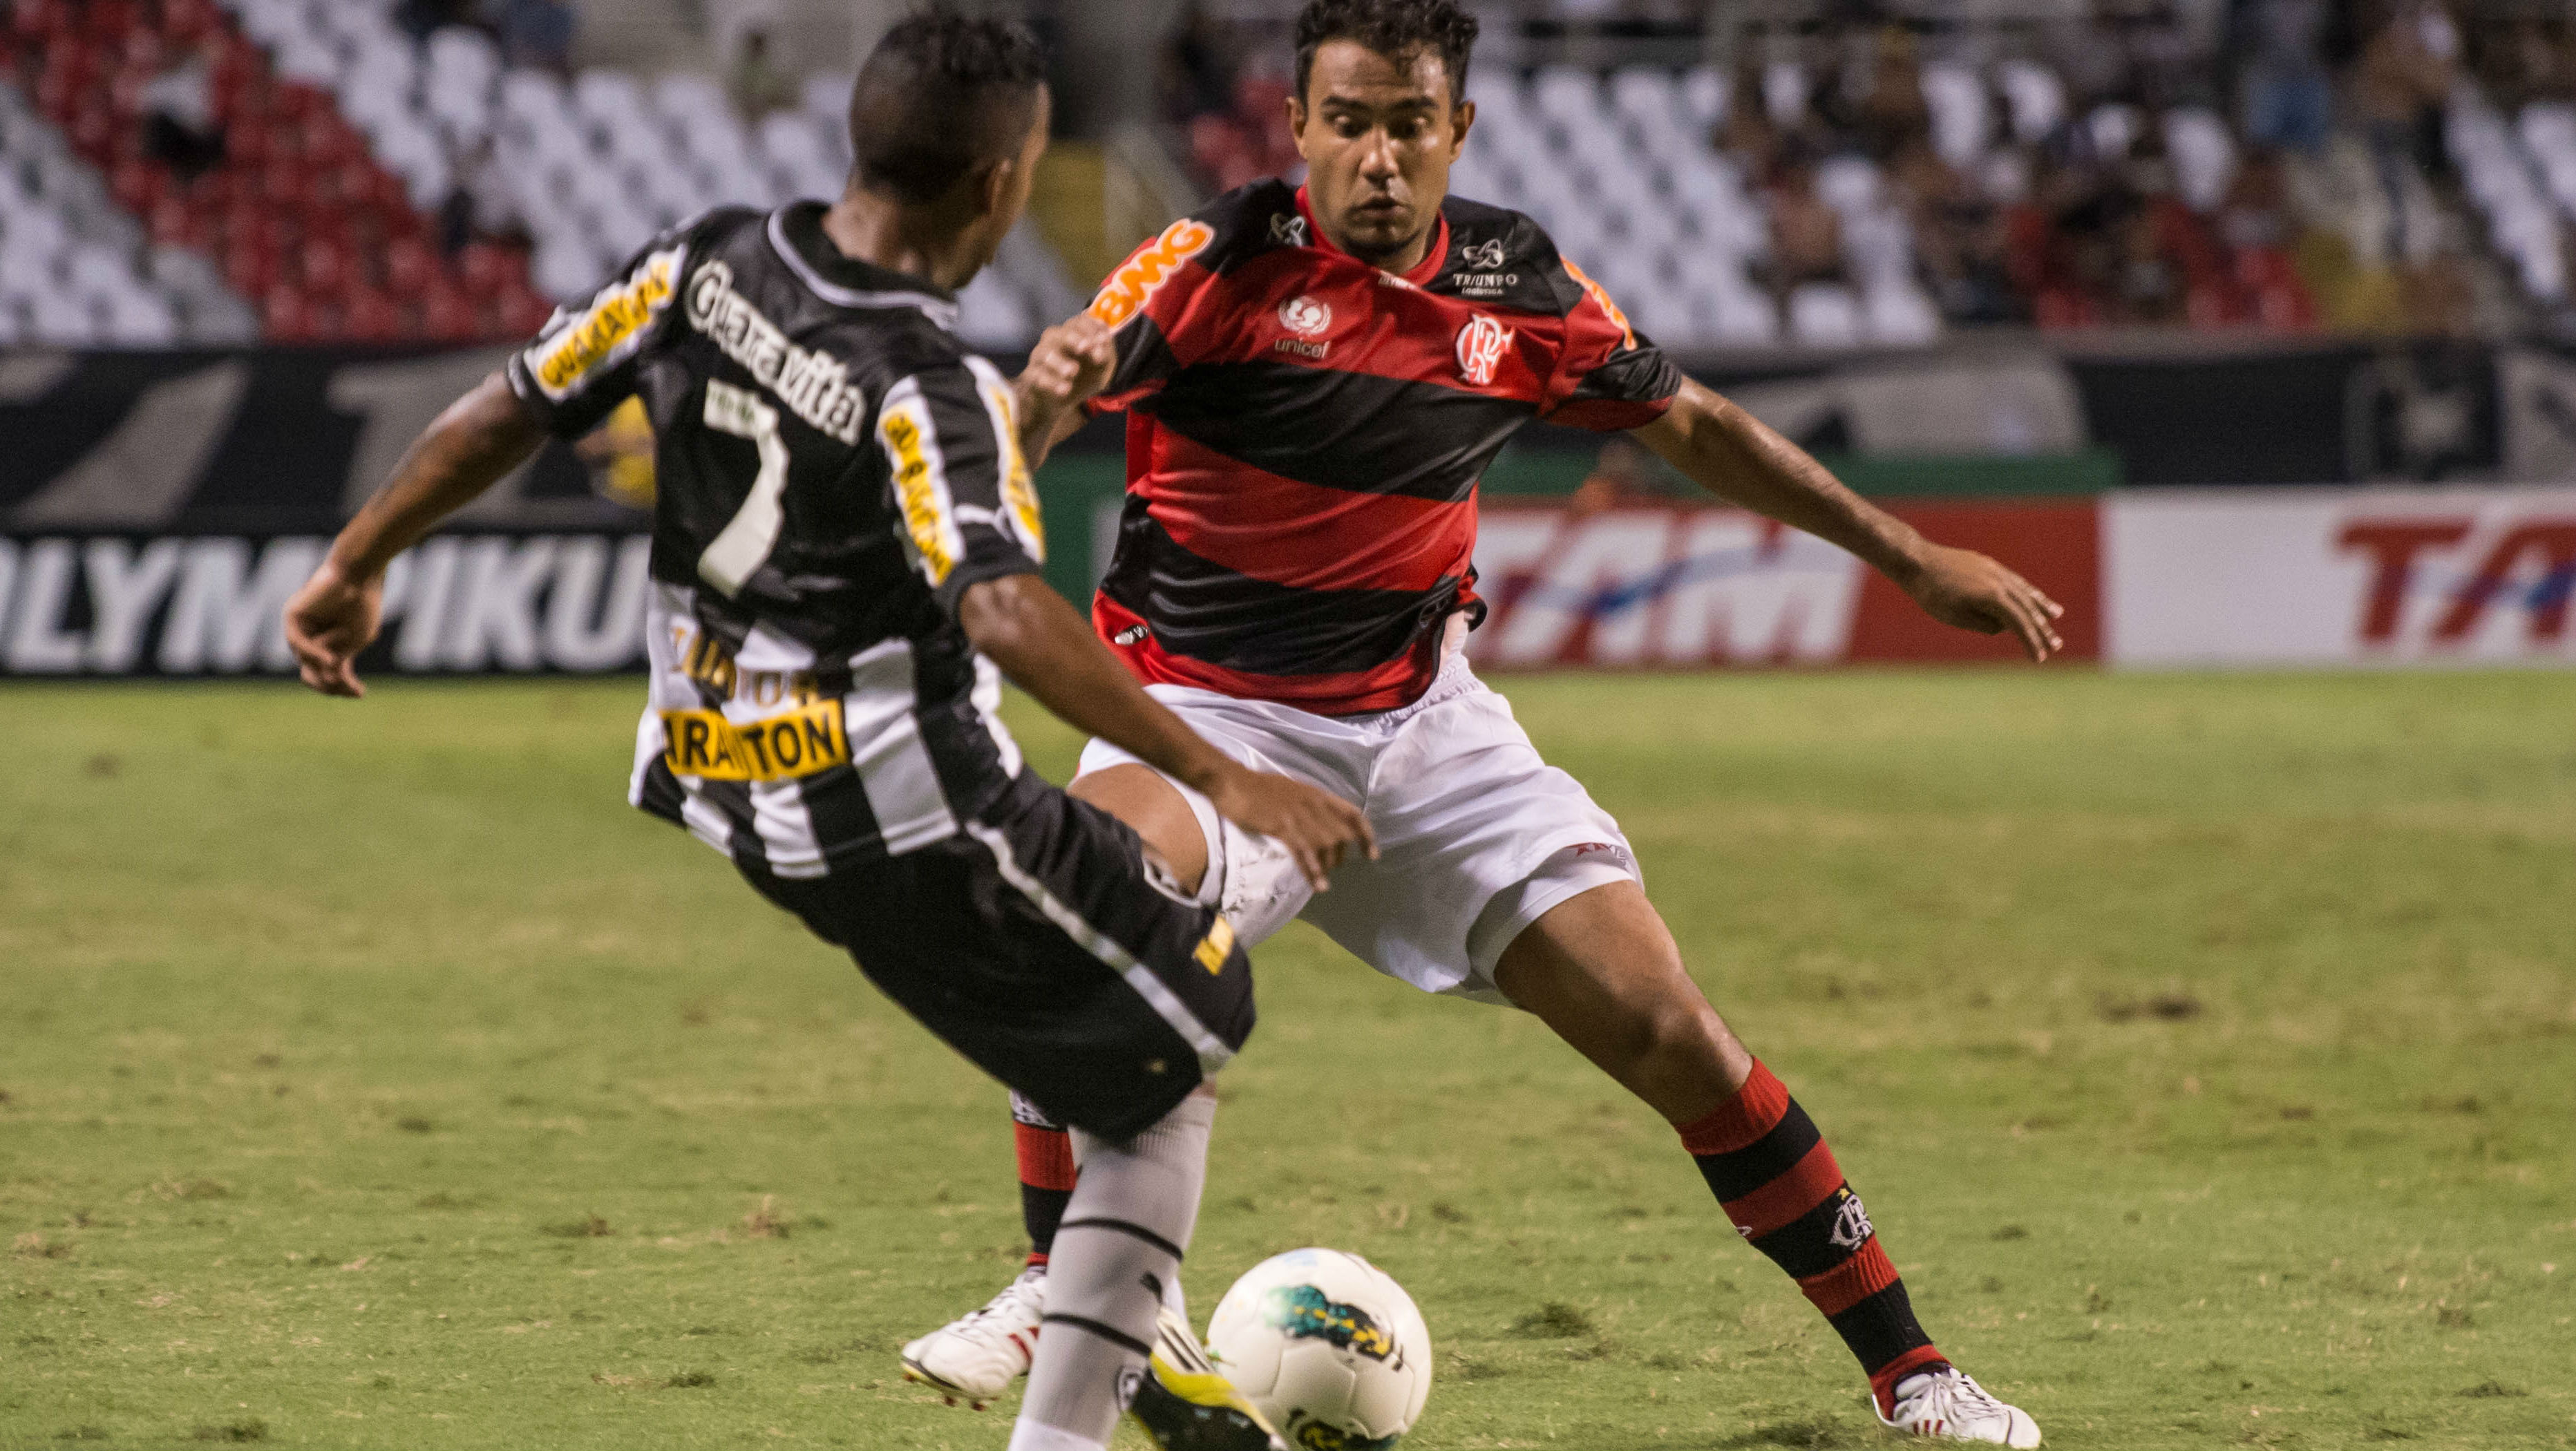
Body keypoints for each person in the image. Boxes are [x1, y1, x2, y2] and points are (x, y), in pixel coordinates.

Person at [900, 2, 2058, 1445]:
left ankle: (1914, 1375)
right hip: (1207, 714)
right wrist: (1043, 399)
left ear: (1456, 130)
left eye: (1407, 124)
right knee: (1090, 910)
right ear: (1298, 126)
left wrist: (1902, 555)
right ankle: (1049, 1283)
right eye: (1348, 123)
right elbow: (1070, 376)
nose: (1377, 157)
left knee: (1669, 1028)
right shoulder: (1216, 263)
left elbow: (1687, 420)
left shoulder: (1518, 284)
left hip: (1423, 730)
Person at [279, 12, 1375, 1451]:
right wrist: (1224, 770)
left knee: (1106, 1015)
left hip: (728, 784)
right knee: (1186, 1039)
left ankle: (1115, 1342)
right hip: (908, 814)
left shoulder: (701, 259)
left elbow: (513, 402)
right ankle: (1075, 1409)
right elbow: (999, 611)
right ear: (1002, 187)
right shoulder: (927, 388)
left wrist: (357, 561)